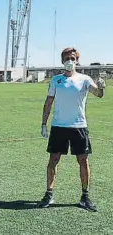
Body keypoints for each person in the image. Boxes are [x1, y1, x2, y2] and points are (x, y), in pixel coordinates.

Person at [38, 47, 106, 211]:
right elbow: (48, 102)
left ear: (77, 61)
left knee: (83, 161)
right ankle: (49, 194)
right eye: (67, 58)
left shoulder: (84, 79)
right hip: (58, 126)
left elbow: (98, 94)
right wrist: (43, 124)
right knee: (53, 161)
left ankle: (85, 196)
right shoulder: (56, 80)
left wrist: (102, 87)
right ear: (62, 61)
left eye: (73, 58)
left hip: (79, 126)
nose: (70, 61)